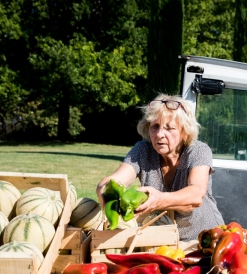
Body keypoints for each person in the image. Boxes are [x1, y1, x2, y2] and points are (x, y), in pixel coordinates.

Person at [96, 94, 224, 241]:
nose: (159, 134)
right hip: (163, 241)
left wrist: (159, 199)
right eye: (155, 127)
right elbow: (117, 179)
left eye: (169, 128)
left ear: (185, 132)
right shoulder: (143, 150)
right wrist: (104, 188)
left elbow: (196, 195)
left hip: (205, 239)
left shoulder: (198, 151)